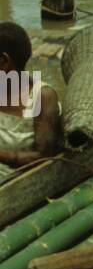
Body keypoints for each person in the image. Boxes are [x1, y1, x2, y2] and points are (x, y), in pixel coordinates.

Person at [0, 22, 63, 182]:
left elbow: (44, 158)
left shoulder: (42, 97)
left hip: (20, 186)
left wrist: (4, 156)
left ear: (4, 62)